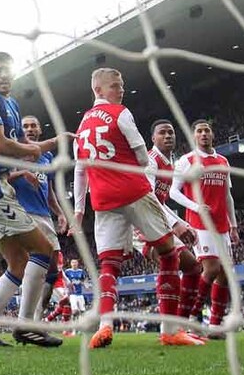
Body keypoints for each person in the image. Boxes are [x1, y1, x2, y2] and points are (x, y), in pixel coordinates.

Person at [73, 68, 200, 348]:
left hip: (103, 200)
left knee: (108, 263)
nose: (121, 90)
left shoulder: (82, 126)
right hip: (133, 191)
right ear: (98, 89)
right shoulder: (121, 113)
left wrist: (79, 210)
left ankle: (105, 326)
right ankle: (170, 331)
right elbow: (143, 158)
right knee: (169, 252)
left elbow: (80, 170)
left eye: (122, 85)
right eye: (115, 86)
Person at [0, 52, 64, 348]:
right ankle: (26, 326)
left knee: (18, 261)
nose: (3, 76)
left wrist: (46, 150)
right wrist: (38, 150)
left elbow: (22, 147)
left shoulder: (12, 105)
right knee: (43, 250)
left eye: (7, 71)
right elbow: (1, 145)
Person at [131, 119, 206, 342]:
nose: (168, 136)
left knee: (193, 268)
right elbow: (148, 196)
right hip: (140, 223)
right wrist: (176, 224)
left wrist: (181, 222)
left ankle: (179, 327)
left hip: (158, 221)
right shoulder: (151, 160)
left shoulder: (169, 164)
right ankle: (168, 332)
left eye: (171, 132)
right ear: (153, 138)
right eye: (162, 133)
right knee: (170, 259)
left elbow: (161, 203)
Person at [170, 120, 239, 335]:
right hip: (199, 223)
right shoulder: (187, 160)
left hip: (222, 225)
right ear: (194, 137)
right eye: (199, 131)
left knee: (225, 273)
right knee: (210, 269)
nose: (203, 134)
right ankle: (192, 317)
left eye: (207, 130)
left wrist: (233, 224)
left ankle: (215, 325)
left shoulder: (223, 161)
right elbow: (174, 191)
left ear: (212, 134)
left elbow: (227, 196)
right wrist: (195, 206)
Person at [15, 115, 70, 321]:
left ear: (39, 131)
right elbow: (2, 178)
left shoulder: (46, 158)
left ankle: (36, 317)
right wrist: (21, 173)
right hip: (23, 213)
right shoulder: (13, 153)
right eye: (26, 126)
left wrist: (60, 213)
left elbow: (49, 191)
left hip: (45, 215)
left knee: (54, 269)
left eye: (33, 126)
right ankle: (28, 318)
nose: (29, 129)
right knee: (32, 263)